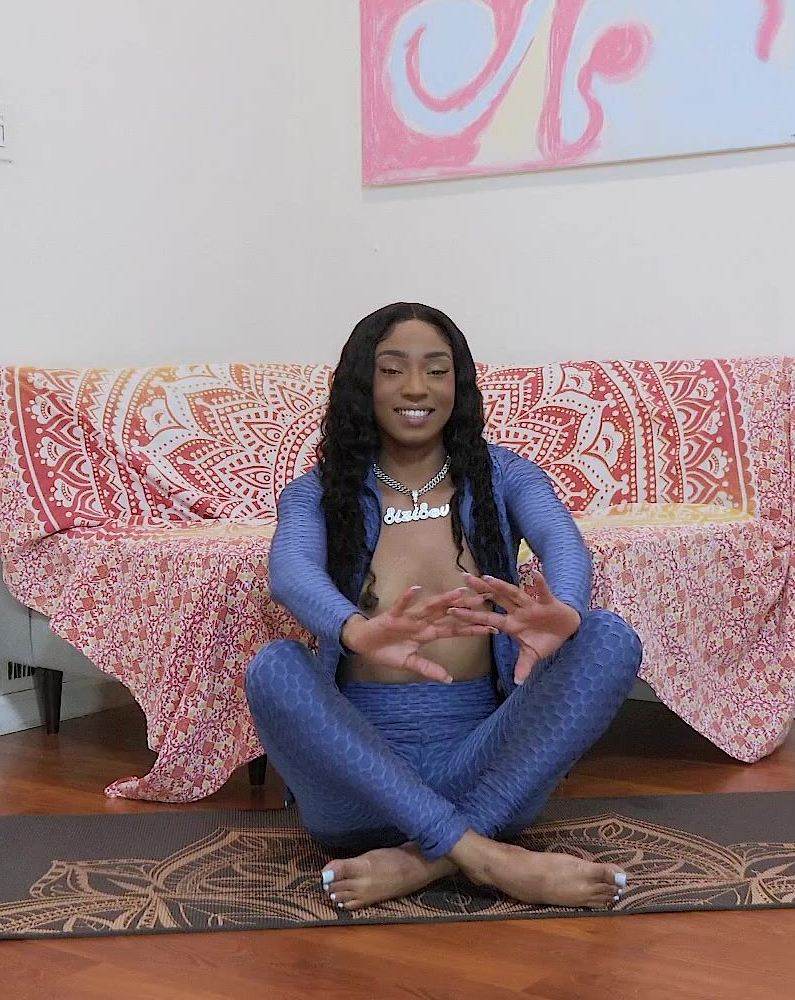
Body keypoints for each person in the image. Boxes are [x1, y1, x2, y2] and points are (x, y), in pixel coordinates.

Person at [243, 302, 644, 911]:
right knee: (274, 664)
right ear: (362, 383)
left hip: (488, 774)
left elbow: (562, 540)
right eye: (392, 370)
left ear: (460, 385)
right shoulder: (316, 492)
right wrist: (355, 631)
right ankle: (490, 859)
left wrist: (564, 610)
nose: (416, 388)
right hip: (358, 787)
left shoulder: (504, 475)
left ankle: (422, 860)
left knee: (610, 636)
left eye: (436, 370)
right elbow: (290, 570)